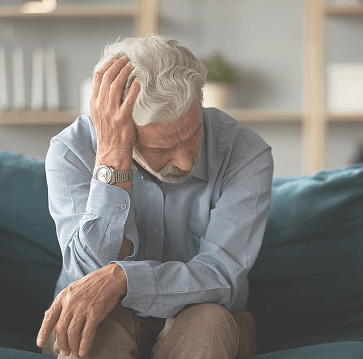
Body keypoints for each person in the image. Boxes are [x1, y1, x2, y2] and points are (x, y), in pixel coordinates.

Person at [36, 34, 274, 359]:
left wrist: (126, 278)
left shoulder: (246, 153)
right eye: (161, 149)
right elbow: (85, 277)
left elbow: (222, 276)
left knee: (208, 325)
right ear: (124, 129)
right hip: (103, 315)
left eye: (192, 135)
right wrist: (111, 159)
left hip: (206, 312)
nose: (186, 161)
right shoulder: (71, 151)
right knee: (94, 334)